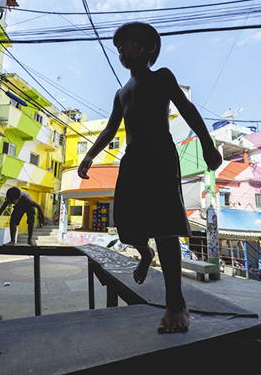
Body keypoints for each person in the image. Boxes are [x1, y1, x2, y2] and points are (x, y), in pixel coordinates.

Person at [77, 22, 222, 334]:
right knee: (126, 224)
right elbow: (110, 129)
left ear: (147, 48)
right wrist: (90, 155)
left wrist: (208, 145)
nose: (120, 50)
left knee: (164, 227)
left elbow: (188, 109)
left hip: (159, 156)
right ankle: (145, 253)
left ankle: (175, 303)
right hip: (132, 160)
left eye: (125, 44)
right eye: (118, 47)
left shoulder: (162, 77)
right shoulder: (121, 93)